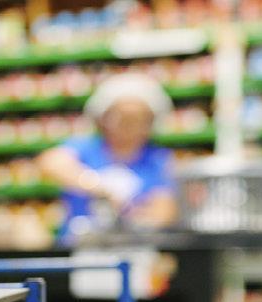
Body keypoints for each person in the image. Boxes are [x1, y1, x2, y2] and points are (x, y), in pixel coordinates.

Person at [37, 73, 179, 244]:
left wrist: (136, 218)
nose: (129, 127)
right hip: (79, 246)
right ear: (103, 118)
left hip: (133, 248)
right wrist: (96, 186)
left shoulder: (157, 159)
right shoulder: (86, 146)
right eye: (122, 118)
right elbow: (51, 162)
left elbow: (164, 210)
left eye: (138, 120)